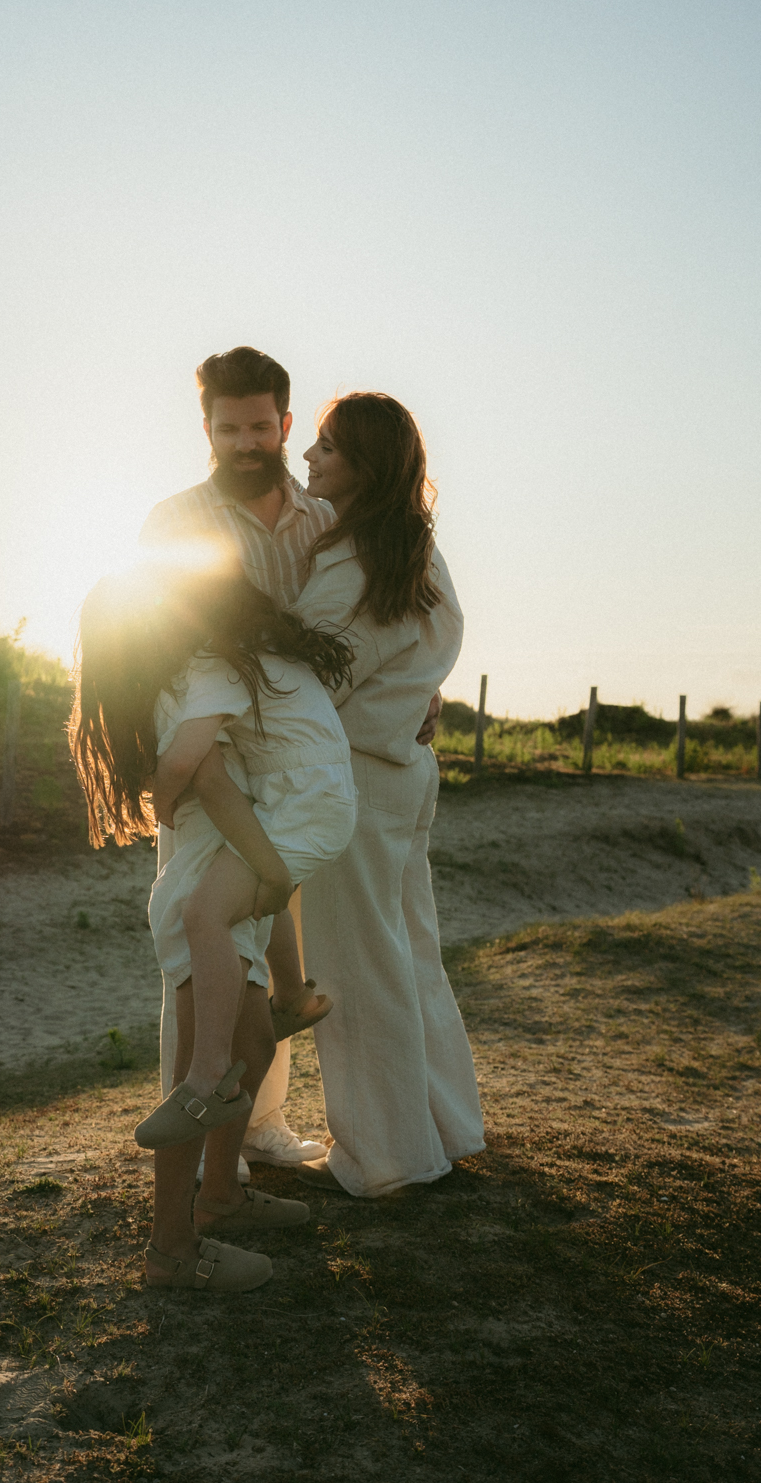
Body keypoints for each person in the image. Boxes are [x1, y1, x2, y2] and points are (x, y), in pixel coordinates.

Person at [71, 556, 357, 1289]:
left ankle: (222, 1195)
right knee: (198, 1082)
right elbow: (215, 785)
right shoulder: (184, 693)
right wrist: (273, 871)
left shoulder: (191, 683)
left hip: (225, 889)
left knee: (252, 1045)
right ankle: (171, 1250)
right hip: (206, 892)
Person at [139, 346, 340, 1170]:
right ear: (207, 429)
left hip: (291, 761)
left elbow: (359, 621)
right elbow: (154, 639)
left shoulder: (324, 520)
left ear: (285, 424)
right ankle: (192, 1145)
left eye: (261, 427)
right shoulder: (173, 521)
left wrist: (424, 689)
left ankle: (259, 1127)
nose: (246, 443)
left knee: (273, 934)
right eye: (230, 429)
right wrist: (180, 767)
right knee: (203, 953)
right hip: (210, 755)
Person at [292, 392, 486, 1197]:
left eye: (327, 447)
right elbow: (422, 652)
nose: (308, 458)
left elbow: (313, 676)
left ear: (366, 466)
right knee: (409, 954)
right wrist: (418, 698)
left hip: (357, 782)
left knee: (355, 966)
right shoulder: (416, 551)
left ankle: (386, 1158)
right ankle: (445, 1126)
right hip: (403, 773)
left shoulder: (356, 560)